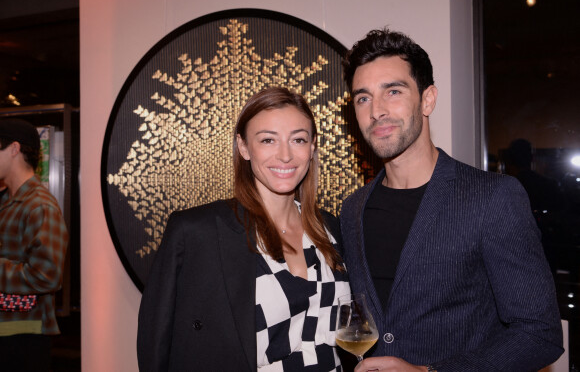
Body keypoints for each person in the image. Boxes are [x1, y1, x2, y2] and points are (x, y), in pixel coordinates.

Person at [339, 28, 563, 371]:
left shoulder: (492, 197)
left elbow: (540, 335)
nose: (377, 111)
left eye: (393, 92)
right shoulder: (353, 209)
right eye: (363, 98)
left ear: (427, 99)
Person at [137, 87, 351, 371]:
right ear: (244, 147)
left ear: (312, 148)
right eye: (268, 140)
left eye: (298, 139)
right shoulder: (197, 233)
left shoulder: (332, 229)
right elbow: (156, 347)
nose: (285, 155)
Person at [0, 118, 69, 372]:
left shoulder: (39, 205)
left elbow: (46, 276)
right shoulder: (8, 200)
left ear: (14, 148)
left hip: (22, 335)